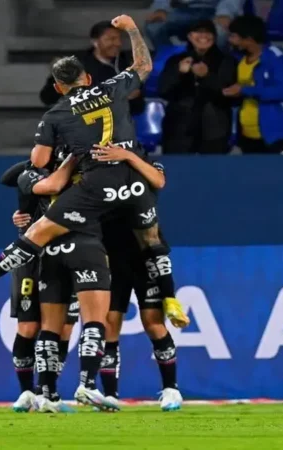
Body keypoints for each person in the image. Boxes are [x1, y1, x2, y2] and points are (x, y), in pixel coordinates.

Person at [0, 16, 189, 331]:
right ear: (88, 78)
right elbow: (143, 66)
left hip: (96, 186)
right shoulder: (112, 87)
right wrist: (131, 29)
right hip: (133, 182)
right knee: (151, 238)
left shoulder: (56, 115)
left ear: (58, 86)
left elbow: (38, 161)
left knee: (39, 231)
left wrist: (64, 152)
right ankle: (170, 298)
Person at [90, 145, 183, 412]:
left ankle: (171, 390)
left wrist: (128, 157)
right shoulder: (99, 174)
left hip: (145, 255)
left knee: (153, 323)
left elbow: (159, 181)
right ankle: (110, 396)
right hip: (112, 259)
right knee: (110, 326)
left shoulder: (145, 167)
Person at [0, 154, 81, 413]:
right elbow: (7, 178)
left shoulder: (85, 172)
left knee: (64, 328)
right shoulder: (31, 172)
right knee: (28, 325)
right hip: (32, 257)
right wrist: (36, 164)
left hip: (69, 255)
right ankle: (26, 392)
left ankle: (48, 391)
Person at [222, 15, 283, 155]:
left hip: (281, 134)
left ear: (248, 38)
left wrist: (245, 90)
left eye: (233, 36)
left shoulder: (277, 58)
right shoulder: (238, 58)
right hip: (249, 136)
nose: (230, 40)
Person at [158, 19, 237, 154]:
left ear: (215, 37)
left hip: (214, 130)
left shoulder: (227, 61)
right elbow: (163, 90)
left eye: (208, 32)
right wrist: (179, 72)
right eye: (198, 32)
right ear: (189, 36)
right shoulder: (176, 61)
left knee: (212, 173)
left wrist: (207, 76)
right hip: (179, 129)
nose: (203, 36)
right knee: (178, 172)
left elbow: (231, 95)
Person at [39, 21, 145, 116]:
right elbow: (47, 98)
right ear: (95, 42)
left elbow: (139, 107)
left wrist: (134, 97)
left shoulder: (127, 66)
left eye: (119, 39)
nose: (118, 43)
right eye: (111, 39)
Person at [145, 0, 244, 50]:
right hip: (185, 10)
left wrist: (224, 13)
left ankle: (216, 66)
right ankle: (169, 63)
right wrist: (161, 9)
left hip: (217, 10)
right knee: (154, 26)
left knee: (221, 31)